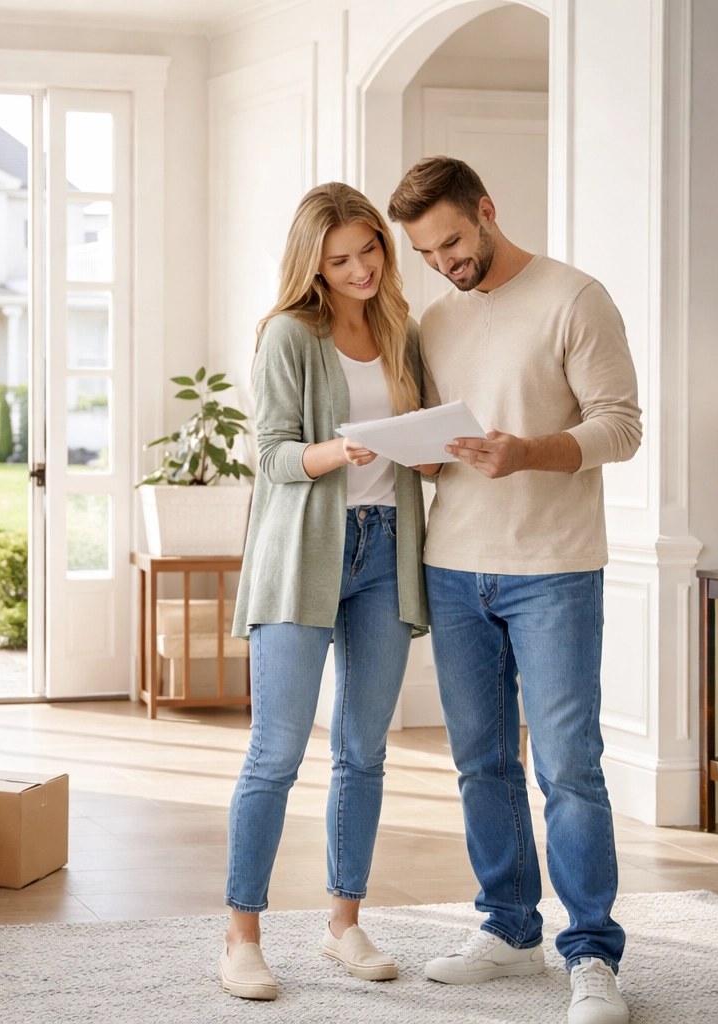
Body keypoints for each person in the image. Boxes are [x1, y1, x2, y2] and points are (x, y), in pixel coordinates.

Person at [386, 156, 642, 1024]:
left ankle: (592, 956)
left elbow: (622, 427)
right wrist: (418, 453)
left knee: (569, 767)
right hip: (455, 568)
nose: (446, 261)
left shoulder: (576, 297)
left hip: (556, 569)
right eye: (427, 252)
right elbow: (433, 445)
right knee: (482, 765)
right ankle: (507, 928)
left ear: (488, 210)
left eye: (453, 240)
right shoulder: (433, 319)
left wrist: (527, 451)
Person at [220, 182, 430, 1001]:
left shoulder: (400, 331)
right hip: (304, 552)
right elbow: (271, 455)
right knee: (275, 752)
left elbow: (419, 448)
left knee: (364, 751)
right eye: (339, 259)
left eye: (368, 250)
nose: (359, 270)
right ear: (314, 263)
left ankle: (344, 923)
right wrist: (334, 453)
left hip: (384, 549)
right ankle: (241, 934)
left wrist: (434, 446)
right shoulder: (287, 335)